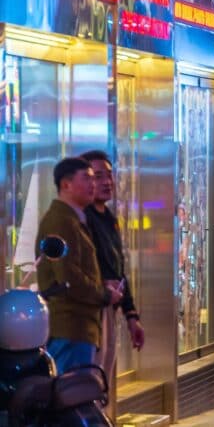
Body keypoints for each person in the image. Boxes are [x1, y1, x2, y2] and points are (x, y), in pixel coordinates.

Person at [38, 157, 123, 374]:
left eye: (93, 179)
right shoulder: (61, 220)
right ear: (66, 185)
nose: (93, 185)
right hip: (71, 327)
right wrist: (104, 294)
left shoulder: (76, 219)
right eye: (86, 179)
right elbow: (69, 277)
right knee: (70, 395)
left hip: (82, 327)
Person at [82, 150, 144, 415]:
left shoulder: (108, 218)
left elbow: (119, 269)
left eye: (109, 175)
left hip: (111, 308)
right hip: (92, 310)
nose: (107, 181)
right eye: (98, 176)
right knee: (93, 374)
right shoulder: (81, 219)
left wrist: (131, 315)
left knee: (106, 374)